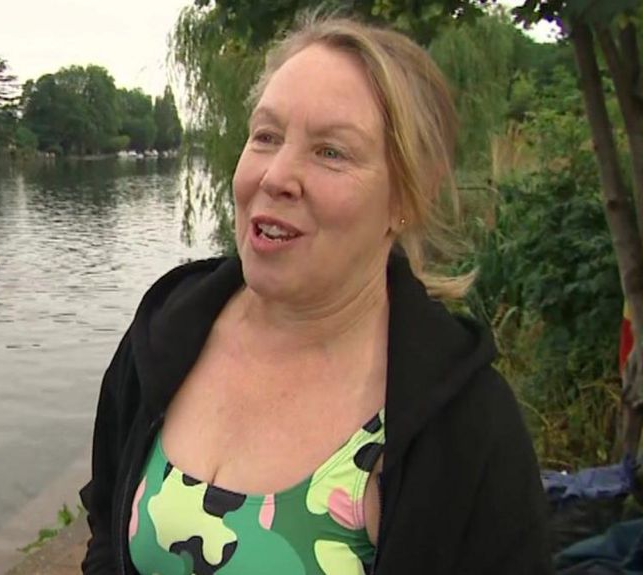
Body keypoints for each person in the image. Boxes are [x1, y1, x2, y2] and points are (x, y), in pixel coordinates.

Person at [80, 14, 549, 575]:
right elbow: (106, 525)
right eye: (267, 136)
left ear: (407, 197)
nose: (276, 175)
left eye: (331, 151)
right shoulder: (167, 330)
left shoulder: (464, 424)